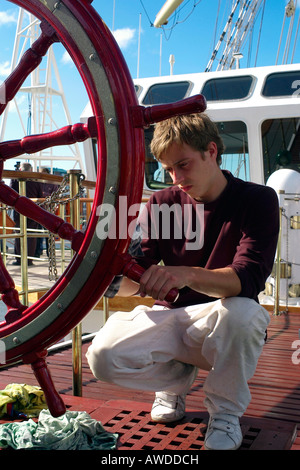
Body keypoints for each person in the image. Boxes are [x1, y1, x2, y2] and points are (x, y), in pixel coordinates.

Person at [86, 113, 279, 451]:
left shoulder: (258, 199)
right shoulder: (161, 203)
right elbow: (139, 271)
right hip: (173, 315)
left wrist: (184, 273)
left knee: (244, 314)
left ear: (212, 151)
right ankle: (176, 381)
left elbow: (247, 279)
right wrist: (103, 275)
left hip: (220, 320)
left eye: (184, 165)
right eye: (168, 169)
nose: (176, 178)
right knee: (102, 356)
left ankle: (225, 413)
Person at [10, 162, 43, 265]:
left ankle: (20, 259)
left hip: (19, 209)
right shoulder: (36, 180)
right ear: (31, 170)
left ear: (20, 169)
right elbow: (40, 195)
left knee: (19, 235)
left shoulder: (15, 179)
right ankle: (29, 260)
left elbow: (10, 192)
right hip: (33, 210)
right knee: (31, 235)